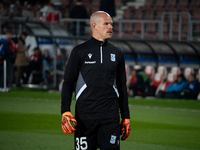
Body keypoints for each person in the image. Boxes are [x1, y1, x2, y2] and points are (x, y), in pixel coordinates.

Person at [61, 11, 130, 150]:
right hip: (85, 118)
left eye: (111, 24)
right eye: (106, 24)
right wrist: (65, 110)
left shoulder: (118, 52)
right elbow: (68, 82)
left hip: (110, 117)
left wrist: (126, 116)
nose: (110, 27)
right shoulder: (79, 51)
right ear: (95, 26)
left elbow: (122, 85)